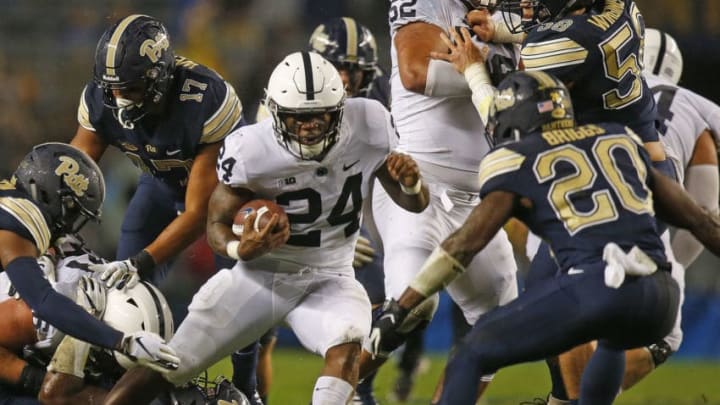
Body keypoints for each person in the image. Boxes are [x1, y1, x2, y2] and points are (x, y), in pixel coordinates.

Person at [370, 70, 720, 405]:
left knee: (473, 350)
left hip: (599, 284)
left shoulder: (517, 158)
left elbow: (463, 245)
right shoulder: (619, 138)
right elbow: (700, 222)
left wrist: (402, 305)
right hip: (661, 295)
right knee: (614, 341)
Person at [101, 51, 429, 405]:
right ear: (274, 112)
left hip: (330, 276)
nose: (308, 127)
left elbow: (415, 203)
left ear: (341, 107)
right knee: (171, 361)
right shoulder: (251, 149)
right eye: (296, 118)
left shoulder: (371, 123)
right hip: (259, 275)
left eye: (319, 115)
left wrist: (411, 185)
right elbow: (215, 225)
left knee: (349, 340)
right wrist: (240, 249)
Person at [68, 14, 261, 403]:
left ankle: (247, 389)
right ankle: (140, 393)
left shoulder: (204, 97)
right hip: (158, 185)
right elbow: (72, 174)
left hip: (229, 198)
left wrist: (140, 262)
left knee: (242, 298)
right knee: (123, 300)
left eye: (131, 87)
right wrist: (54, 231)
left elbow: (199, 214)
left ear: (159, 78)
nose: (118, 98)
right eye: (113, 88)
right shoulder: (100, 97)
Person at [359, 1, 521, 402]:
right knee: (411, 308)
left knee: (498, 329)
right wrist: (490, 73)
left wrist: (483, 67)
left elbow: (541, 82)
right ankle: (335, 392)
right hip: (415, 184)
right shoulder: (425, 4)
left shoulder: (514, 16)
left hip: (478, 199)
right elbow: (418, 72)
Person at [0, 142, 178, 402]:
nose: (71, 224)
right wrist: (121, 341)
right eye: (72, 210)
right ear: (47, 194)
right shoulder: (16, 227)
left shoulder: (19, 209)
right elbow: (44, 301)